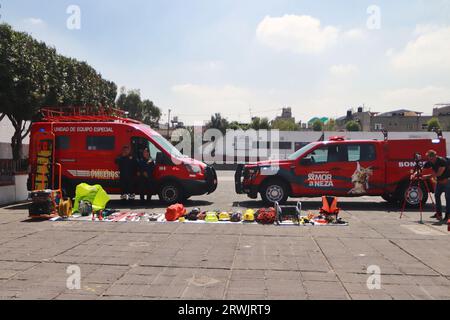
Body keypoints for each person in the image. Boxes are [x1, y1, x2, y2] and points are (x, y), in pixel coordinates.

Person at [422, 150, 450, 221]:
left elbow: (439, 174)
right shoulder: (430, 162)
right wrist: (415, 174)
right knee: (437, 196)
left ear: (435, 156)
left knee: (448, 198)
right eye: (429, 158)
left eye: (431, 158)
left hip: (447, 181)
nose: (430, 160)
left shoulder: (442, 161)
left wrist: (427, 176)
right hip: (439, 182)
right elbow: (423, 169)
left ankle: (448, 215)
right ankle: (439, 214)